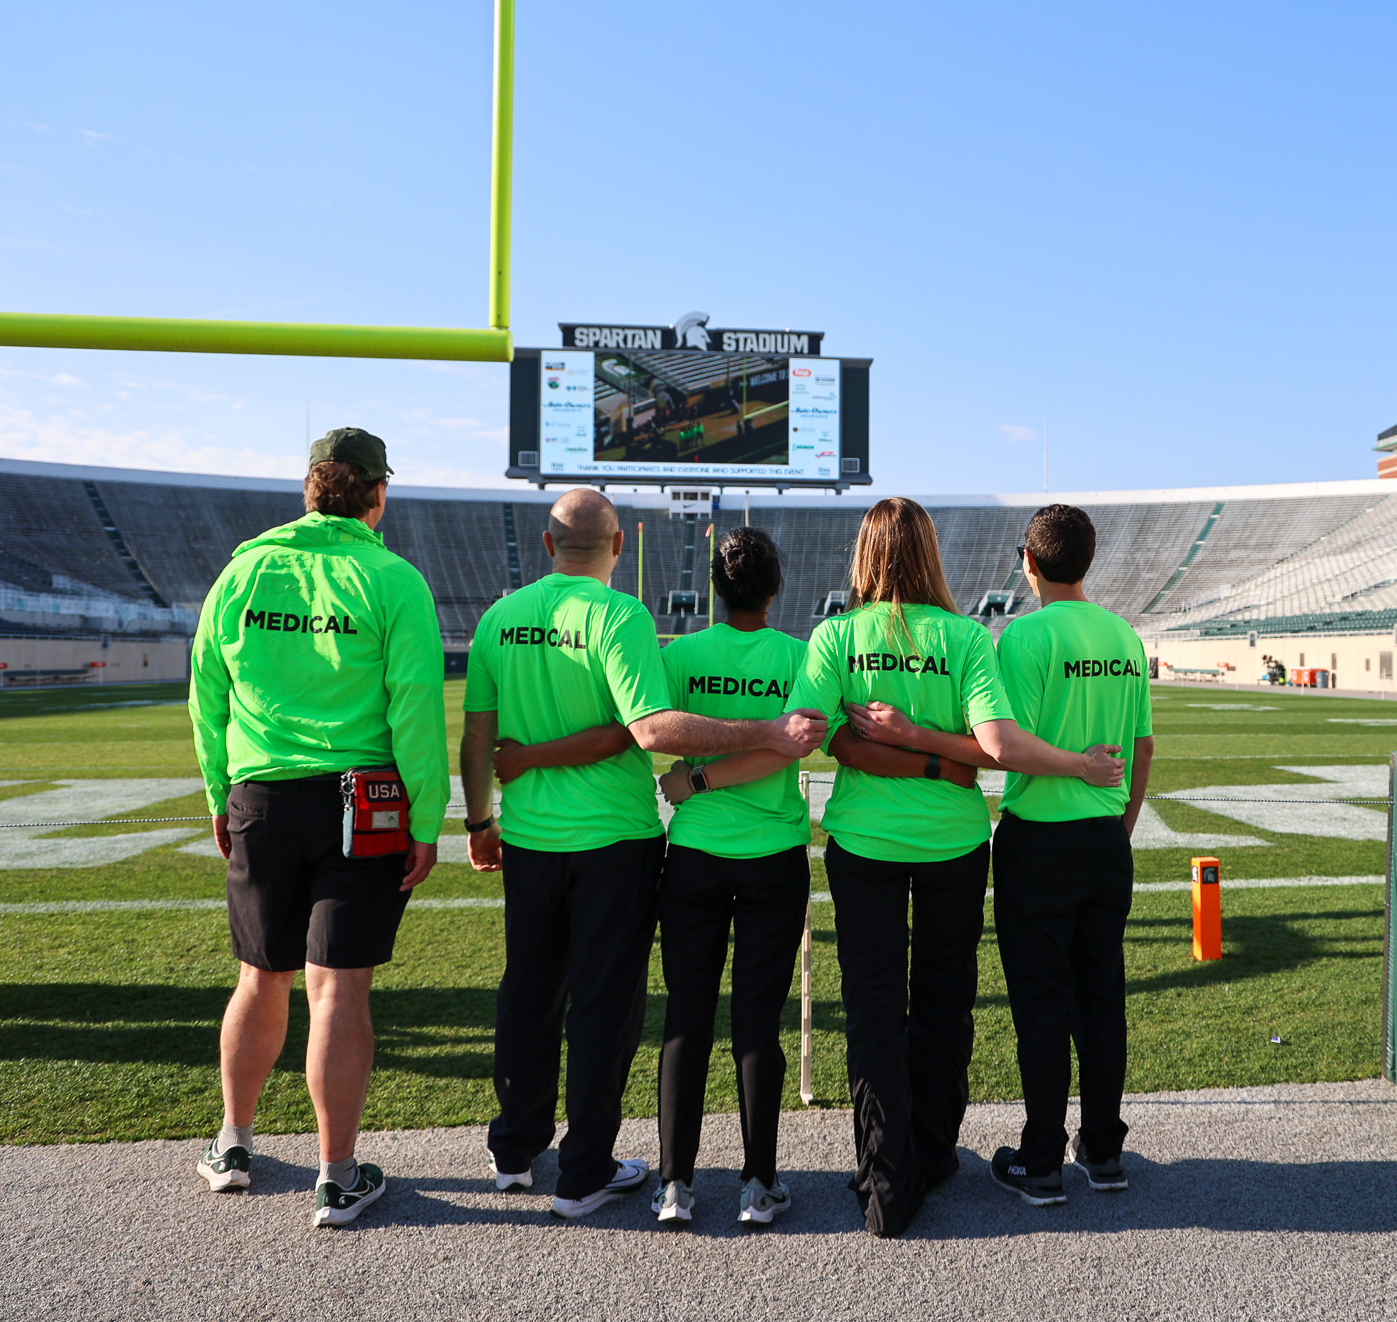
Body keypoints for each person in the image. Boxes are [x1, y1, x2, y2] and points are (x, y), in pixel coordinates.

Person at [461, 491, 825, 1221]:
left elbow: (477, 740)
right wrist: (763, 735)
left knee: (529, 992)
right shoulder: (622, 616)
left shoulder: (503, 618)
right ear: (619, 545)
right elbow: (648, 728)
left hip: (537, 835)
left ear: (545, 541)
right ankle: (587, 1171)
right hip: (620, 838)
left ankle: (521, 1152)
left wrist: (479, 819)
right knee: (607, 1005)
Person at [790, 496, 1126, 1237]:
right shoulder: (967, 638)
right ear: (932, 554)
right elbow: (990, 748)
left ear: (864, 554)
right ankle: (934, 1153)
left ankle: (885, 1178)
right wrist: (939, 760)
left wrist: (883, 746)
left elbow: (819, 736)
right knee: (946, 1001)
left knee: (874, 1009)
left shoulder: (836, 635)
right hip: (953, 842)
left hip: (865, 841)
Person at [187, 428, 447, 1229]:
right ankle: (337, 1175)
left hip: (261, 794)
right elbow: (415, 710)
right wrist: (426, 819)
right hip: (360, 798)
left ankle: (233, 1143)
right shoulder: (392, 578)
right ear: (376, 494)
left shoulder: (244, 570)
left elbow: (206, 694)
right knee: (339, 985)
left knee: (258, 977)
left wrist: (218, 796)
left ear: (309, 489)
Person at [987, 505, 1154, 1203]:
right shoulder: (1124, 635)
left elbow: (1013, 744)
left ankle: (1041, 1158)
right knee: (1102, 997)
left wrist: (1076, 774)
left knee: (1042, 1003)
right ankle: (1105, 1149)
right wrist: (1121, 825)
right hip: (1103, 837)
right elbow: (1142, 744)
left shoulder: (1022, 636)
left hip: (1041, 838)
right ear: (1088, 559)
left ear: (1029, 558)